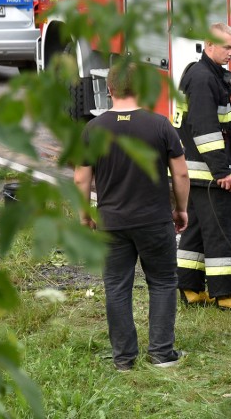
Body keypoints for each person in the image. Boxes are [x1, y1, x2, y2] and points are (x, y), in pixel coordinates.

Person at [74, 62, 190, 371]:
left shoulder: (93, 129)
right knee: (164, 282)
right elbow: (180, 173)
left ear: (109, 89)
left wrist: (85, 214)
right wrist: (180, 209)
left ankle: (124, 359)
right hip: (154, 220)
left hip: (112, 223)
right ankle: (163, 354)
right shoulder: (160, 125)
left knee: (116, 287)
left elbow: (80, 179)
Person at [173, 23, 231, 312]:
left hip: (197, 172)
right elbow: (206, 131)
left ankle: (190, 288)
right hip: (208, 172)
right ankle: (226, 294)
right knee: (223, 228)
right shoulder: (203, 79)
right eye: (226, 47)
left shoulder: (202, 74)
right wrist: (222, 171)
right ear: (209, 45)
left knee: (197, 230)